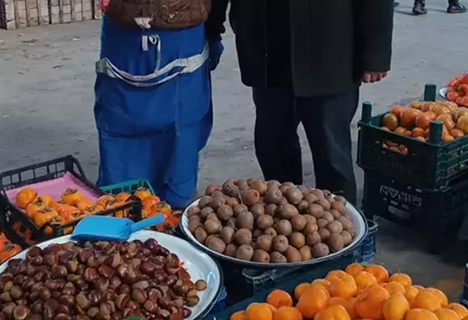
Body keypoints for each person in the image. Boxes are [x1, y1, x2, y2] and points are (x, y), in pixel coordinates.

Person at [205, 0, 394, 203]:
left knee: (332, 157)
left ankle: (343, 224)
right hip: (267, 49)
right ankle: (284, 219)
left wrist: (376, 52)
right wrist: (211, 26)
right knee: (273, 150)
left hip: (329, 50)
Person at [94, 0, 223, 209]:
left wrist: (215, 27)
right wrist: (215, 27)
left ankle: (134, 208)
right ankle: (157, 210)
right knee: (170, 130)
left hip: (173, 33)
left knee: (177, 131)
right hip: (137, 34)